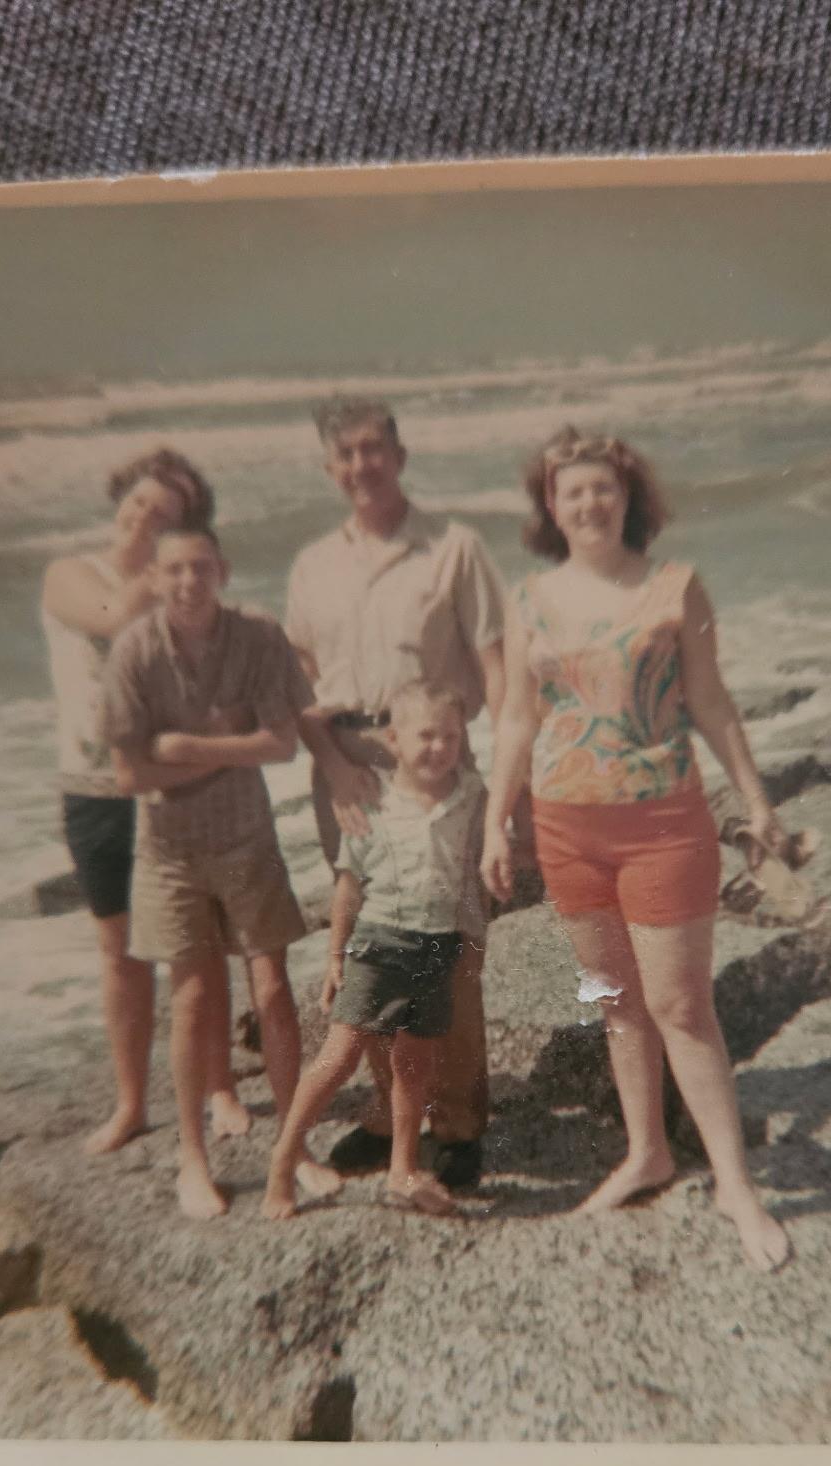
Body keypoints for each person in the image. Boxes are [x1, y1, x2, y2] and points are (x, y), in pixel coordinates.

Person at [481, 427, 792, 1273]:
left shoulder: (673, 587)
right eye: (571, 492)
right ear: (550, 506)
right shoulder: (527, 598)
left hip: (663, 827)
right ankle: (646, 1152)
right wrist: (492, 823)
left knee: (682, 1008)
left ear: (628, 500)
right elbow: (514, 715)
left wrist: (758, 803)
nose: (588, 503)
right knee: (614, 1001)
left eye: (602, 490)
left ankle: (733, 1182)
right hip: (564, 831)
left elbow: (713, 706)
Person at [284, 395, 505, 1192]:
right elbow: (299, 686)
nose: (360, 467)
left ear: (399, 455)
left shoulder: (453, 548)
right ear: (328, 468)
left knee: (451, 952)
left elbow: (497, 669)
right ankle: (389, 1116)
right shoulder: (312, 565)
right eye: (344, 455)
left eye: (373, 450)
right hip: (344, 769)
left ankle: (459, 1122)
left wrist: (510, 787)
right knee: (374, 944)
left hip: (438, 767)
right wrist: (334, 764)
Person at [104, 524, 339, 1221]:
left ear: (222, 570)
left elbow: (281, 743)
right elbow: (128, 773)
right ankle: (193, 1159)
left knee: (271, 990)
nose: (187, 583)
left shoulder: (258, 637)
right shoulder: (135, 651)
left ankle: (294, 1150)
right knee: (192, 998)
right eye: (173, 570)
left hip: (246, 838)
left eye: (200, 568)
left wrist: (181, 746)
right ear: (153, 576)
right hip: (169, 850)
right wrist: (221, 745)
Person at [41, 448, 247, 1155]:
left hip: (176, 783)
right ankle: (131, 1102)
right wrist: (161, 575)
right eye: (138, 501)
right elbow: (107, 619)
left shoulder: (177, 583)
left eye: (164, 512)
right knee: (119, 950)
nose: (142, 516)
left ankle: (219, 1084)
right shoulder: (70, 573)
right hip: (94, 787)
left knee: (200, 941)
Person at [263, 681, 488, 1222]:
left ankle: (402, 1170)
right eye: (425, 736)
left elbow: (477, 866)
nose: (439, 747)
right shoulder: (372, 797)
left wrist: (475, 941)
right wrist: (336, 958)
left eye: (451, 736)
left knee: (416, 1065)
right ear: (393, 739)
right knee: (339, 1056)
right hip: (380, 942)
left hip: (440, 943)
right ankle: (283, 1157)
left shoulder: (472, 793)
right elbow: (349, 884)